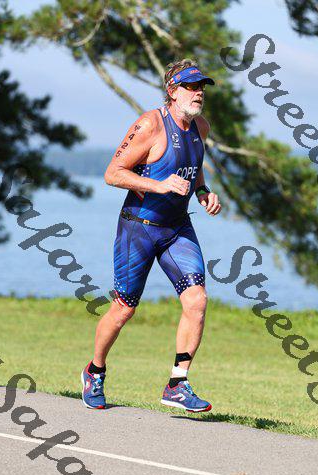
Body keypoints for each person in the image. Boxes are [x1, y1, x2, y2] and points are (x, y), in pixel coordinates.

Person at [81, 58, 221, 412]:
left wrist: (203, 192)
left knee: (197, 300)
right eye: (191, 86)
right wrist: (159, 185)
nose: (198, 93)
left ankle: (177, 383)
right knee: (124, 308)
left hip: (177, 228)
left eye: (201, 86)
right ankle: (95, 371)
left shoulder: (201, 127)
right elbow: (113, 173)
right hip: (138, 228)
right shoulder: (150, 124)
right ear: (172, 91)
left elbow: (193, 167)